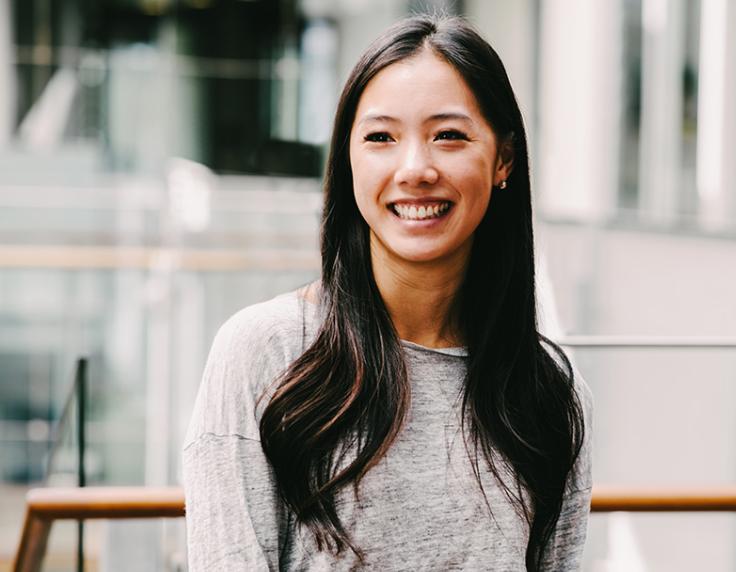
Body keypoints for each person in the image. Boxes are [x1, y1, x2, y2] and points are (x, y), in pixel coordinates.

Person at [182, 14, 592, 572]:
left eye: (448, 135)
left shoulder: (549, 392)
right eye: (381, 137)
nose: (415, 168)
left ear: (504, 160)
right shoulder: (266, 353)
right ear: (349, 160)